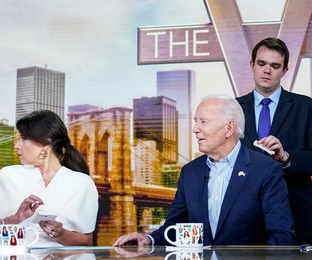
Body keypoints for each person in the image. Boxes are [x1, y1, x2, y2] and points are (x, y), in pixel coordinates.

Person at [114, 95, 296, 248]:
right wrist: (149, 239)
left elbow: (281, 237)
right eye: (195, 122)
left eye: (203, 122)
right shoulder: (190, 172)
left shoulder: (265, 170)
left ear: (229, 128)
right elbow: (175, 226)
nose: (195, 129)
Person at [236, 37, 312, 245]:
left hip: (296, 215)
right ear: (252, 65)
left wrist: (286, 158)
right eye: (261, 64)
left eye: (275, 66)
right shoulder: (233, 109)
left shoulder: (306, 107)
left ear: (285, 70)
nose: (267, 70)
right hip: (243, 218)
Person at [0, 110, 98, 247]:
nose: (16, 145)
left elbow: (86, 240)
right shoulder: (8, 175)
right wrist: (15, 218)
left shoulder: (82, 183)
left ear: (45, 142)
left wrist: (61, 234)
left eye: (23, 139)